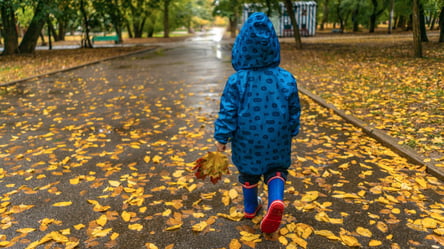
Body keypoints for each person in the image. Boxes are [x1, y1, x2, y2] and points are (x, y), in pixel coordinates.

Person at [214, 12, 301, 234]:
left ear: (242, 46)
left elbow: (228, 111)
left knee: (248, 173)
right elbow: (293, 109)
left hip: (247, 140)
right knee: (277, 170)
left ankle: (251, 208)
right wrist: (292, 129)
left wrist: (221, 137)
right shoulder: (286, 78)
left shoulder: (236, 81)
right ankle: (275, 201)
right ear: (273, 45)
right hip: (277, 137)